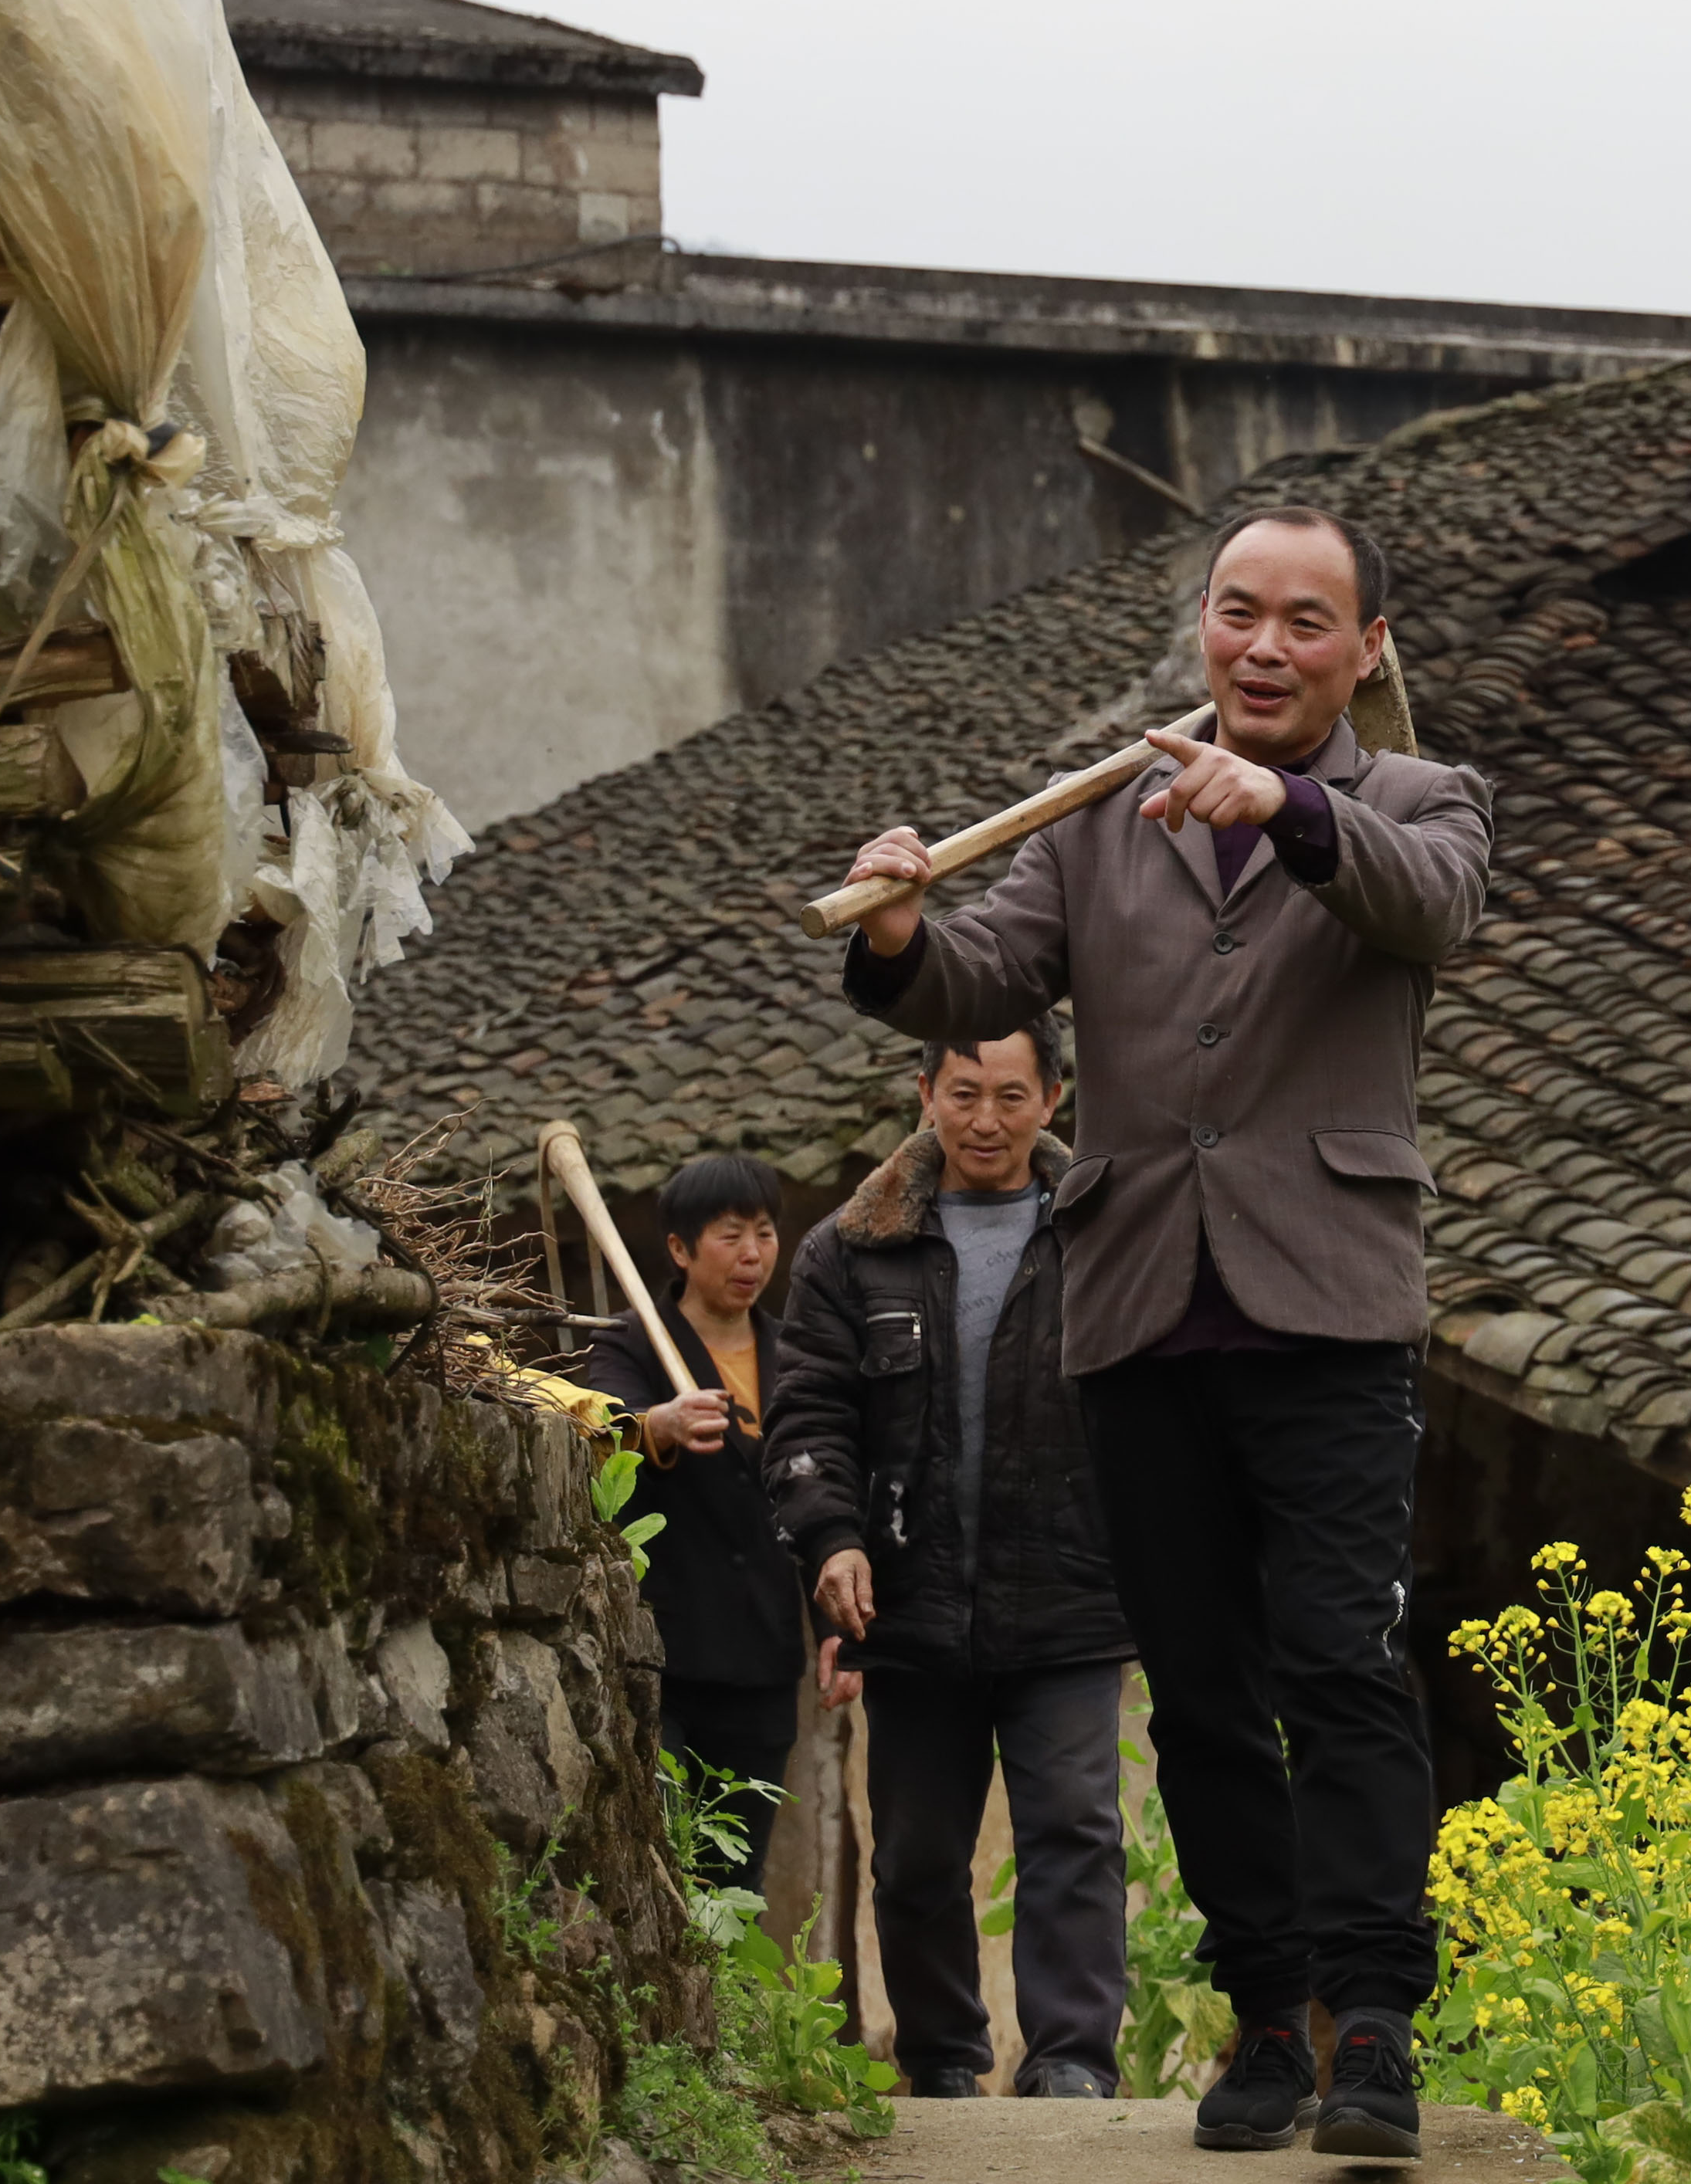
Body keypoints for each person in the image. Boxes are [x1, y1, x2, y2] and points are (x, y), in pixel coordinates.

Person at [835, 502, 1493, 2160]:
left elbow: (1432, 906)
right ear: (1204, 628)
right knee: (1198, 1689)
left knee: (1340, 1662)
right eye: (1235, 612)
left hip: (1328, 1302)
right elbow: (985, 975)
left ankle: (1374, 2024)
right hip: (1138, 1305)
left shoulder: (1417, 797)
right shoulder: (1099, 815)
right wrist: (905, 926)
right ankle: (1267, 2015)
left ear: (1366, 650)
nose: (1262, 645)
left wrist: (1288, 804)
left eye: (1303, 621)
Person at [764, 1025, 1135, 2101]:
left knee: (1074, 1828)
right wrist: (833, 1539)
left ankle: (1070, 2061)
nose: (986, 1120)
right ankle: (941, 2061)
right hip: (911, 1602)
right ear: (925, 1092)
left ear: (1054, 1096)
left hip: (1070, 1589)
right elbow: (809, 1417)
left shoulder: (1105, 1232)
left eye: (1011, 1096)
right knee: (918, 1854)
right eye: (963, 1094)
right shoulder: (849, 1249)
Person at [603, 1151, 802, 1893]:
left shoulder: (798, 1354)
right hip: (664, 1659)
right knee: (659, 1880)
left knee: (735, 1888)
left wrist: (840, 1631)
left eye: (764, 1233)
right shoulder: (634, 1343)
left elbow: (829, 1488)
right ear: (680, 1250)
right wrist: (660, 1423)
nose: (752, 1255)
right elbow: (601, 1427)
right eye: (729, 1235)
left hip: (763, 1662)